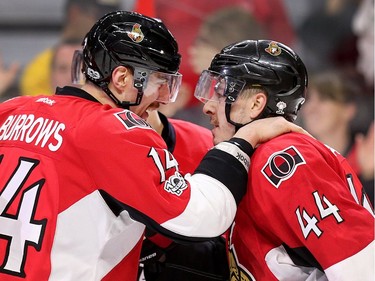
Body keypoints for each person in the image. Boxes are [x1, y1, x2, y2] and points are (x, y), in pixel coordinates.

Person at [0, 12, 307, 281]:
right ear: (122, 78)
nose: (162, 97)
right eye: (159, 81)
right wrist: (244, 140)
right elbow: (201, 216)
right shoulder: (113, 128)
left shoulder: (11, 110)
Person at [194, 39, 374, 280]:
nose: (207, 106)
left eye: (221, 93)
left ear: (256, 104)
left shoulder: (281, 159)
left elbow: (361, 266)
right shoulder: (258, 155)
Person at [300, 70, 374, 206]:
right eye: (308, 100)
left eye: (323, 99)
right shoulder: (299, 160)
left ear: (348, 110)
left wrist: (369, 178)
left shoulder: (368, 155)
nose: (310, 108)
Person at [19, 0, 121, 96]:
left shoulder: (118, 62)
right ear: (75, 13)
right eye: (99, 15)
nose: (108, 24)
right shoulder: (39, 71)